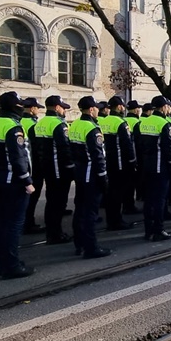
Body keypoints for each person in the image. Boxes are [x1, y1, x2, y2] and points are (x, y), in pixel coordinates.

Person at [0, 92, 36, 279]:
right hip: (13, 181)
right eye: (21, 105)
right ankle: (11, 266)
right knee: (13, 225)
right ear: (16, 107)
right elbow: (17, 157)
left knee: (3, 224)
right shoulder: (13, 127)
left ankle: (4, 262)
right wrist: (26, 180)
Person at [69, 96, 113, 258]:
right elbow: (98, 156)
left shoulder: (75, 125)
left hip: (79, 173)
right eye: (96, 108)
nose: (98, 111)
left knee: (80, 210)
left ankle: (79, 244)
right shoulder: (92, 128)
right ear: (91, 109)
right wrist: (103, 178)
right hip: (91, 175)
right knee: (90, 213)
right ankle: (91, 248)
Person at [31, 95, 75, 244]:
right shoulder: (59, 124)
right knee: (58, 202)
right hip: (59, 169)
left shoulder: (40, 123)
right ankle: (56, 234)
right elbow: (65, 148)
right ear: (57, 107)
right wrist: (70, 167)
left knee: (51, 201)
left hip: (46, 167)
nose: (64, 111)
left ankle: (52, 232)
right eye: (63, 108)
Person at [138, 95, 171, 240]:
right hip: (160, 167)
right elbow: (169, 148)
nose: (169, 109)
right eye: (168, 106)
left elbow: (139, 145)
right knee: (159, 200)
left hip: (147, 166)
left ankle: (148, 230)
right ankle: (158, 230)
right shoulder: (164, 124)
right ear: (163, 107)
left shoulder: (143, 122)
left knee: (149, 200)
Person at [99, 95, 137, 231]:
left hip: (107, 161)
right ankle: (116, 221)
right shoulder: (121, 123)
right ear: (119, 107)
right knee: (118, 193)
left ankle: (112, 219)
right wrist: (132, 161)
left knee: (110, 192)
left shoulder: (102, 121)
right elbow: (127, 144)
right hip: (120, 162)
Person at [21, 97, 46, 235]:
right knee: (32, 196)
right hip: (33, 165)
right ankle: (28, 223)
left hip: (23, 164)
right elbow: (36, 148)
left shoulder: (19, 121)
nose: (38, 111)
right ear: (32, 109)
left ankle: (24, 221)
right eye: (37, 108)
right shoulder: (32, 125)